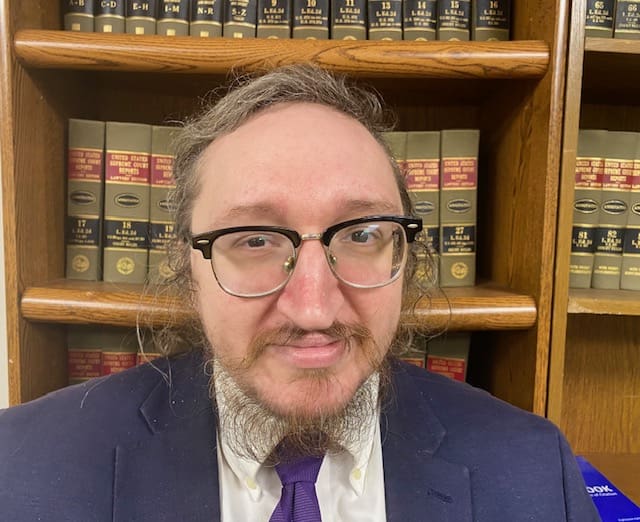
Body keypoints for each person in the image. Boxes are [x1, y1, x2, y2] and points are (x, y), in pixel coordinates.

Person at [0, 65, 598, 521]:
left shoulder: (534, 472)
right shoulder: (23, 470)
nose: (314, 309)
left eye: (362, 234)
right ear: (188, 265)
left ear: (405, 254)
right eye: (254, 239)